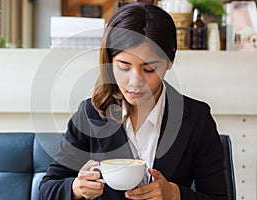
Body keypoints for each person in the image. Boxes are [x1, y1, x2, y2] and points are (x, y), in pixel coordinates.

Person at [39, 3, 227, 200]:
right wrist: (76, 188)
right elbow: (47, 190)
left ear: (170, 60)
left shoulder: (196, 118)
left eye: (149, 69)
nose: (135, 83)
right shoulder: (91, 113)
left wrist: (175, 194)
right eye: (124, 67)